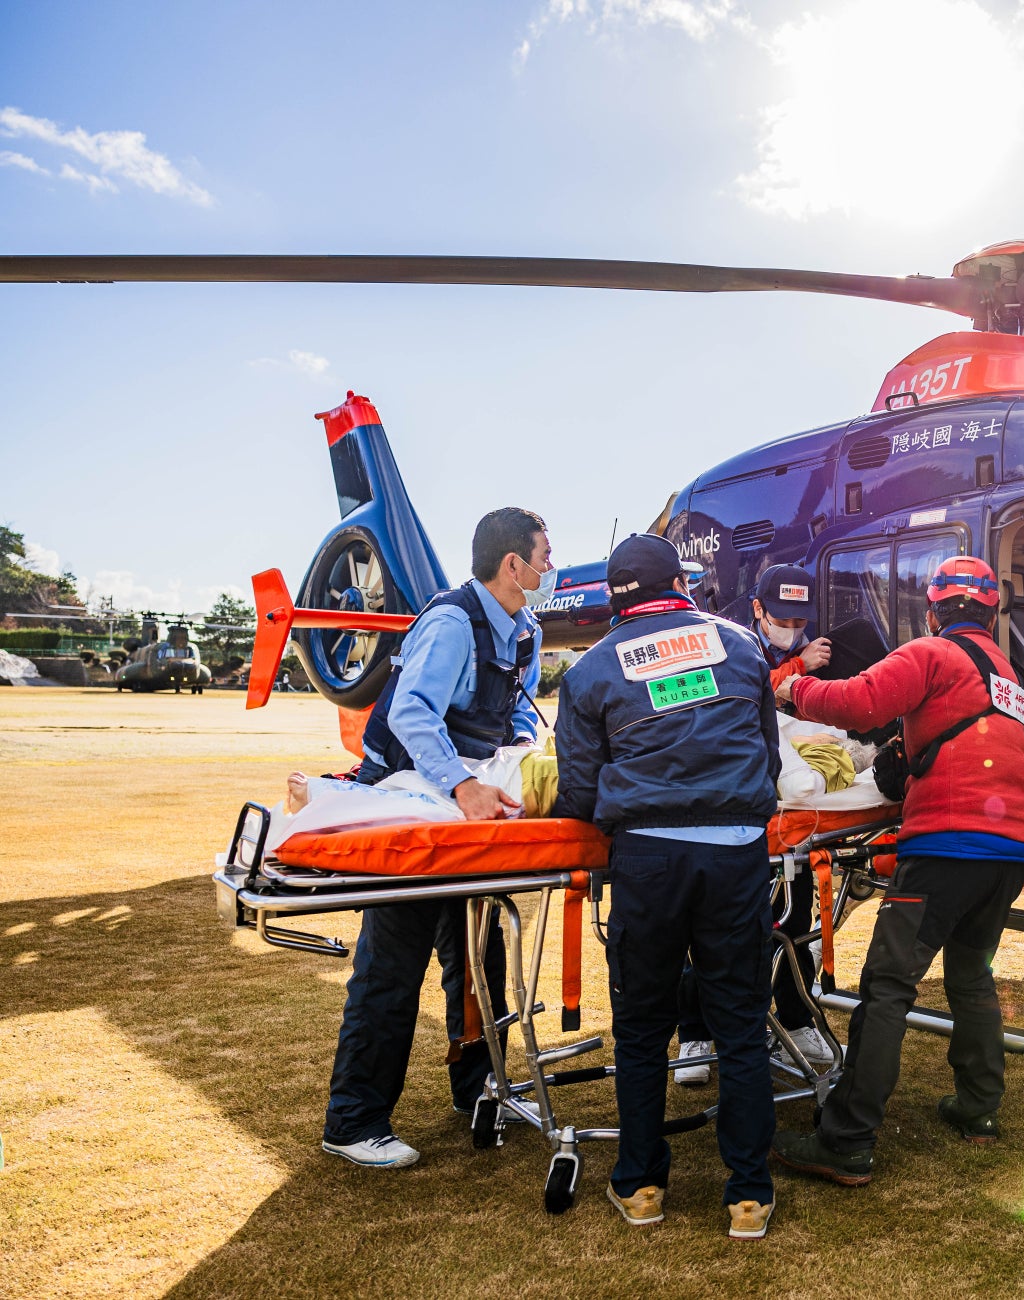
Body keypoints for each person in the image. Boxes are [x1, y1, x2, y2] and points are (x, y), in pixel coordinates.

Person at [770, 556, 1024, 1186]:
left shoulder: (930, 654)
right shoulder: (1008, 675)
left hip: (947, 844)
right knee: (971, 976)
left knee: (888, 985)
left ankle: (847, 1140)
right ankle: (978, 1107)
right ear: (991, 614)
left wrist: (792, 689)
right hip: (1012, 848)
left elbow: (859, 702)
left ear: (933, 612)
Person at [554, 533, 783, 1241]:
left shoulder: (589, 670)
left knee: (642, 1030)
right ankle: (748, 1196)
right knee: (741, 1026)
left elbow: (578, 790)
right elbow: (770, 756)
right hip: (737, 852)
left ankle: (642, 1186)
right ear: (681, 584)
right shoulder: (741, 646)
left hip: (647, 858)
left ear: (612, 597)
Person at [319, 507, 549, 1171]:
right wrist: (463, 785)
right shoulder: (451, 623)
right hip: (410, 801)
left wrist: (517, 757)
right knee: (393, 962)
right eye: (544, 556)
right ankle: (354, 1121)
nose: (550, 567)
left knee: (480, 954)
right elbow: (413, 713)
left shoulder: (525, 632)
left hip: (464, 810)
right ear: (513, 565)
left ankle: (480, 1088)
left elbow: (517, 714)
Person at [675, 562, 835, 1086]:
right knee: (709, 927)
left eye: (799, 620)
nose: (791, 629)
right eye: (781, 619)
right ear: (758, 609)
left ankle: (797, 1019)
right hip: (728, 810)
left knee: (796, 921)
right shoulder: (726, 643)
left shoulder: (817, 651)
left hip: (794, 816)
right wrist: (796, 672)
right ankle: (696, 1033)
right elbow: (730, 695)